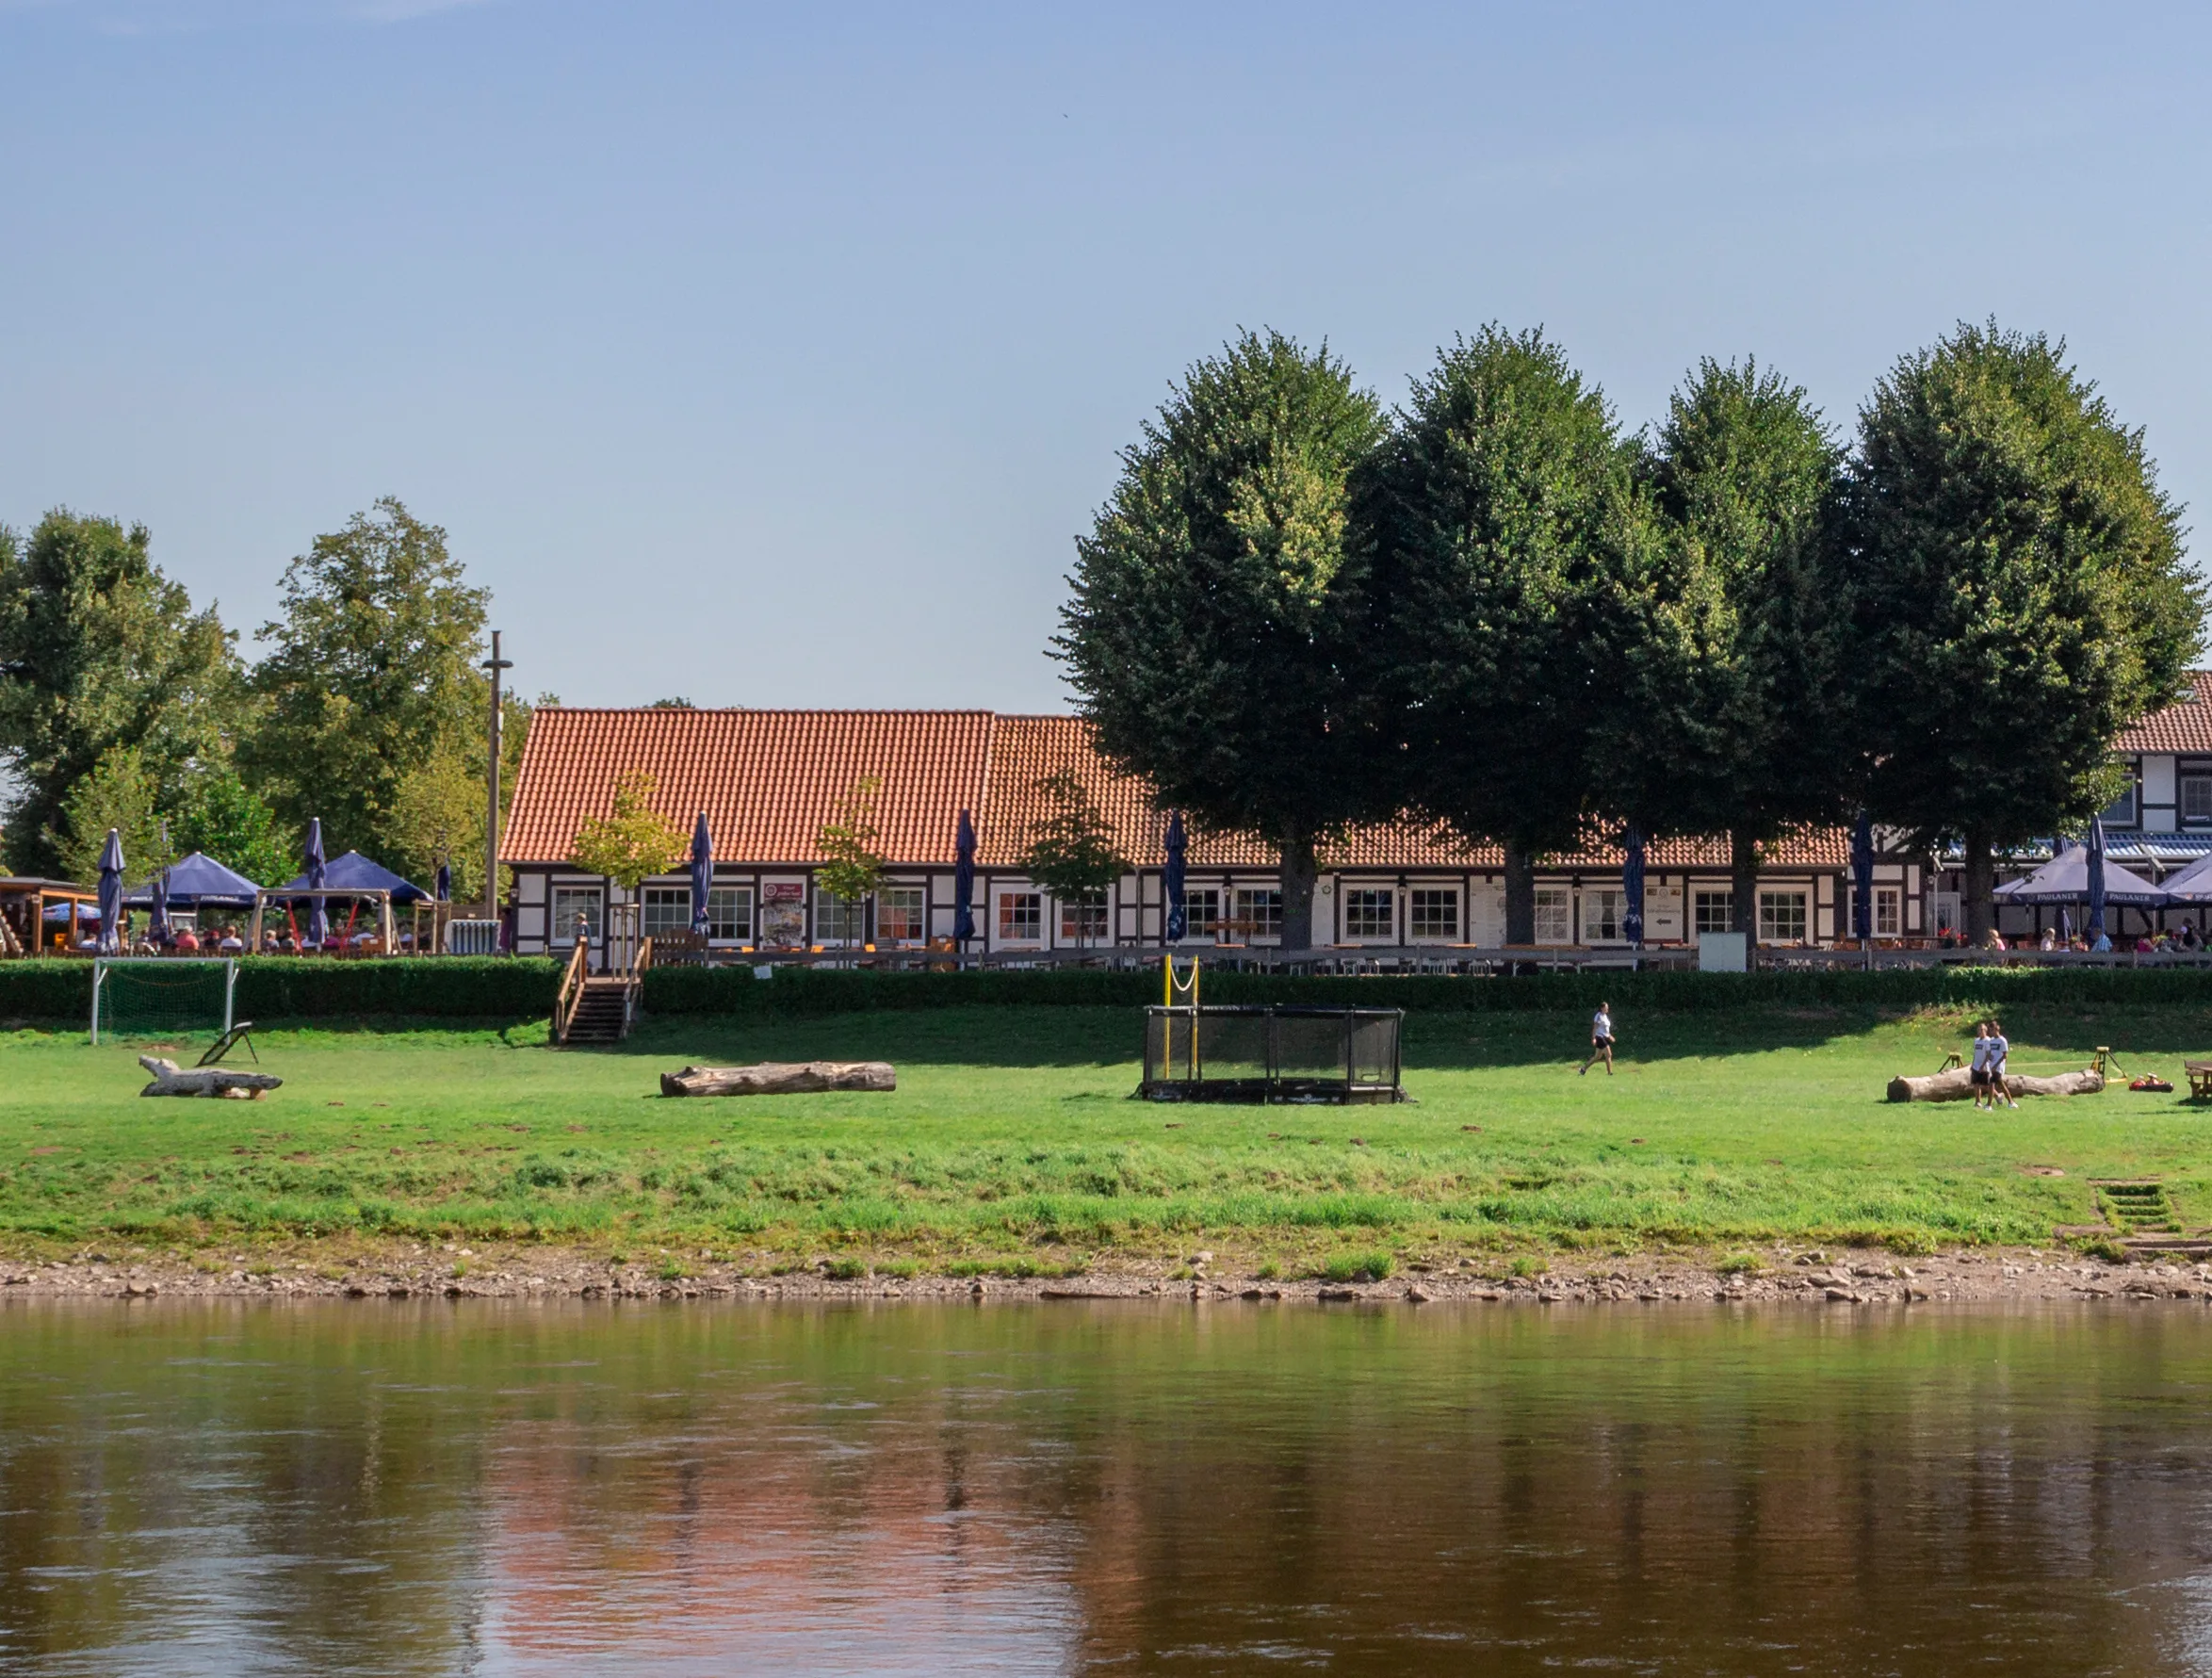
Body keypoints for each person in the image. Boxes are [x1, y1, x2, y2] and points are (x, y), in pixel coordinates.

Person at [1987, 1019, 2018, 1110]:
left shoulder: (2002, 1040)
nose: (1990, 1032)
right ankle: (2011, 1102)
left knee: (1992, 1084)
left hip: (1998, 1066)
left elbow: (2005, 1055)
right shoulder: (1991, 1041)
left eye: (1991, 1030)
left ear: (1996, 1029)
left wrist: (1996, 1065)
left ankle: (1989, 1105)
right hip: (1992, 1066)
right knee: (2000, 1084)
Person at [1579, 1002, 1616, 1077]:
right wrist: (1593, 1038)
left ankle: (1583, 1069)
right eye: (1606, 1007)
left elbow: (1605, 1029)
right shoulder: (1599, 1016)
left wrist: (1609, 1036)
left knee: (1597, 1057)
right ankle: (1610, 1073)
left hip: (1605, 1037)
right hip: (1599, 1037)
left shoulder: (1605, 1016)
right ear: (1602, 1008)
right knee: (1609, 1054)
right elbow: (1595, 1028)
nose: (1608, 1008)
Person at [1968, 1021, 1993, 1110]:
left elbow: (1988, 1054)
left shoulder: (1988, 1040)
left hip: (1985, 1066)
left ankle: (1996, 1097)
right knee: (1976, 1084)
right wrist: (1973, 1063)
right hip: (1976, 1065)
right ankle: (1978, 1102)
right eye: (1979, 1029)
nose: (1981, 1031)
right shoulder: (1976, 1041)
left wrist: (1982, 1065)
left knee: (1987, 1085)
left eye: (1982, 1029)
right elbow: (1976, 1053)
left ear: (1986, 1030)